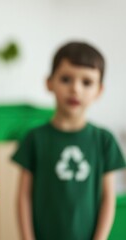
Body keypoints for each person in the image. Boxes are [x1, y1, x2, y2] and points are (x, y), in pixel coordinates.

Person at [13, 41, 126, 240]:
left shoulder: (104, 140)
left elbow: (108, 198)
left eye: (87, 82)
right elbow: (23, 197)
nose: (75, 89)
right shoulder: (34, 138)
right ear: (49, 82)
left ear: (99, 90)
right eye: (66, 79)